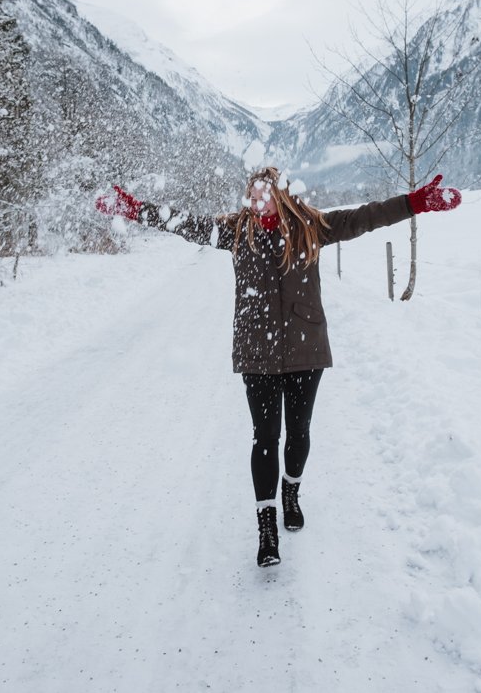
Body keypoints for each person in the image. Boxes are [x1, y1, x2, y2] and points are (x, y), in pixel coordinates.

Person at [95, 167, 461, 567]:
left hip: (306, 350)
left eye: (263, 194)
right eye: (252, 195)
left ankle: (291, 491)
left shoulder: (310, 226)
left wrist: (414, 204)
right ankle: (266, 527)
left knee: (298, 432)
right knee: (265, 437)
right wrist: (133, 210)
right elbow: (182, 222)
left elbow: (364, 217)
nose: (256, 201)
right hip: (258, 354)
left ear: (282, 195)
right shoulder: (236, 232)